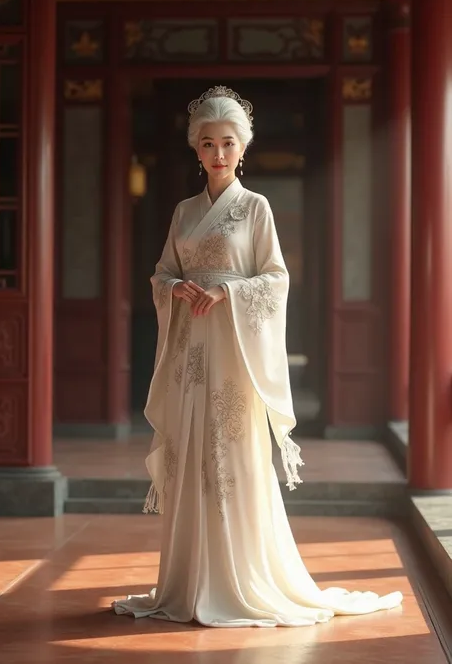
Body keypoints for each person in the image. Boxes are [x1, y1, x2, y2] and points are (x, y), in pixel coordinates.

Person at [112, 85, 402, 627]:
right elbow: (161, 273)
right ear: (195, 150)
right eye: (207, 143)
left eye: (227, 142)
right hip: (190, 350)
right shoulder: (181, 211)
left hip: (234, 347)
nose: (217, 153)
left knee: (231, 453)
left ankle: (239, 578)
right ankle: (189, 581)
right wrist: (174, 288)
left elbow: (275, 277)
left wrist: (228, 292)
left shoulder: (255, 208)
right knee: (192, 451)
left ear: (242, 148)